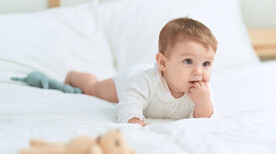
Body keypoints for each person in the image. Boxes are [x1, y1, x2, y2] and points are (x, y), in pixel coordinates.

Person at [64, 17, 218, 127]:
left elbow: (203, 119)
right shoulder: (146, 81)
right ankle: (74, 76)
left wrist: (203, 103)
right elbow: (129, 102)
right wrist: (135, 121)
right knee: (93, 89)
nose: (198, 72)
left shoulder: (201, 92)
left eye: (206, 64)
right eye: (188, 61)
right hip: (128, 80)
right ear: (163, 63)